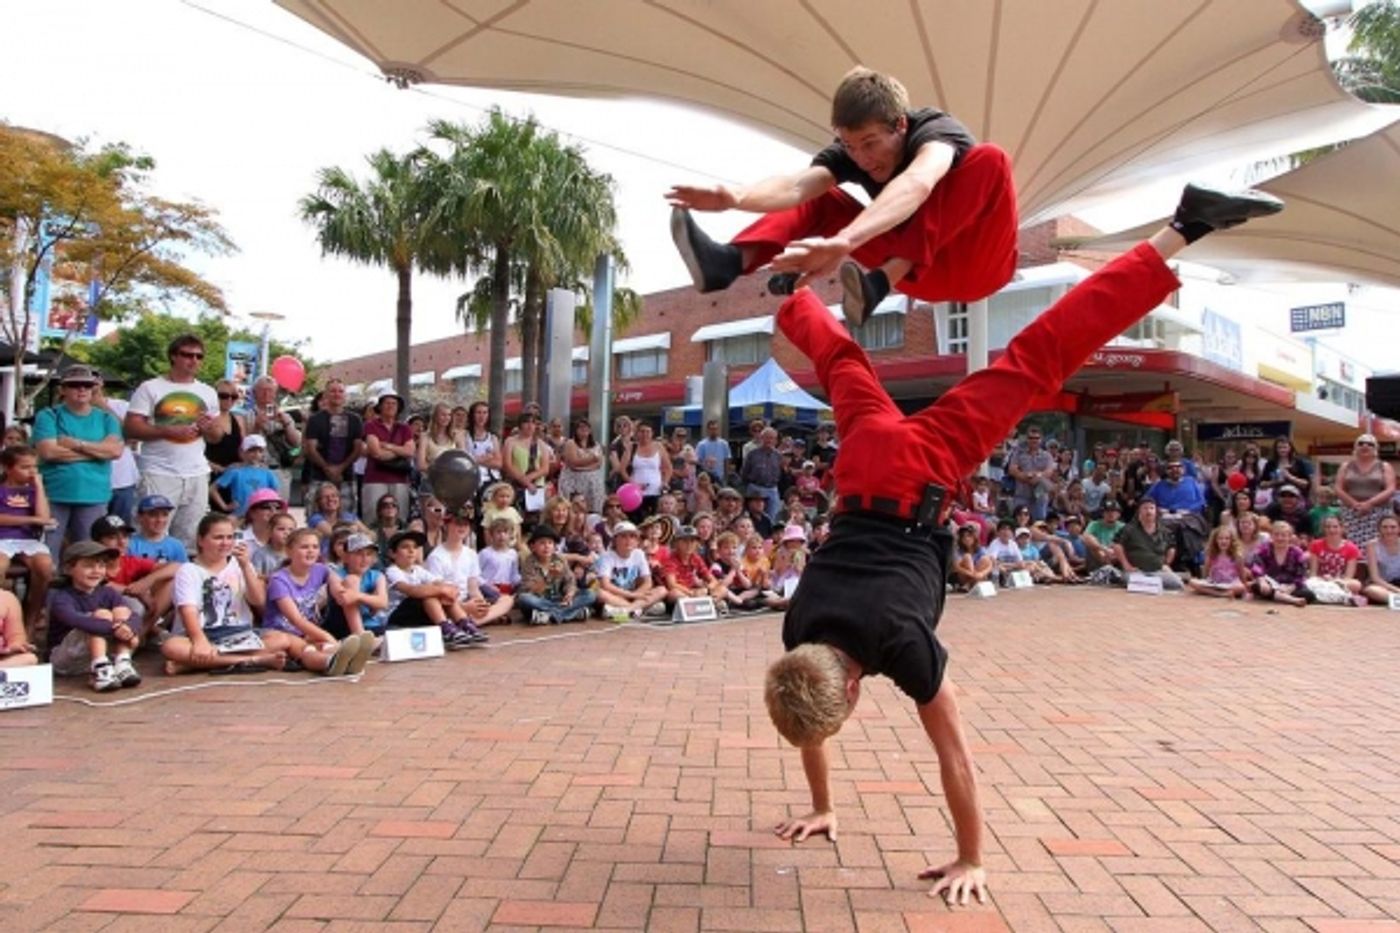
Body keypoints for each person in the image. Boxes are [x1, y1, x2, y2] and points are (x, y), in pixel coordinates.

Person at [760, 182, 1281, 904]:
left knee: (1037, 357)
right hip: (864, 467)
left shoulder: (900, 644)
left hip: (926, 478)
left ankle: (1184, 226)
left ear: (852, 688)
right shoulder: (799, 633)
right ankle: (789, 297)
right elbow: (806, 713)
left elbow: (956, 756)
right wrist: (822, 806)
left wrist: (972, 856)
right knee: (845, 366)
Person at [667, 67, 1014, 327]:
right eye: (850, 145)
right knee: (823, 199)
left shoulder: (935, 131)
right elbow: (798, 187)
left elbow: (919, 181)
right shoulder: (850, 152)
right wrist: (736, 196)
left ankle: (882, 280)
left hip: (979, 263)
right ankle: (728, 262)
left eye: (870, 143)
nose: (862, 158)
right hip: (918, 275)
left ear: (901, 126)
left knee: (991, 159)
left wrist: (845, 241)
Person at [163, 513, 363, 675]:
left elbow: (258, 600)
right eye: (218, 537)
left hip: (239, 633)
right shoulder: (189, 570)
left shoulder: (239, 564)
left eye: (229, 537)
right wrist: (199, 641)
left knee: (285, 641)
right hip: (203, 633)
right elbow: (188, 611)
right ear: (200, 540)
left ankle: (330, 661)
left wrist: (245, 567)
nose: (225, 543)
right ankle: (254, 660)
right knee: (171, 647)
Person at [123, 334, 225, 547]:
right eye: (187, 355)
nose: (194, 360)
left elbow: (216, 437)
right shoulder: (150, 387)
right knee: (151, 535)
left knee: (190, 538)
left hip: (196, 472)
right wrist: (166, 431)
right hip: (158, 472)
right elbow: (131, 427)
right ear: (173, 356)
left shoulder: (207, 392)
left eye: (199, 356)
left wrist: (210, 428)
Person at [33, 364, 125, 558]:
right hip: (54, 495)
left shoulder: (107, 418)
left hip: (94, 496)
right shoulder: (49, 415)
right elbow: (48, 452)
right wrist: (97, 451)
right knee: (47, 555)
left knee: (89, 555)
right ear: (63, 389)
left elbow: (115, 451)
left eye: (87, 385)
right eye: (75, 385)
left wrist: (76, 444)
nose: (82, 389)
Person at [45, 540, 141, 692]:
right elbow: (75, 620)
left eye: (101, 565)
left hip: (97, 654)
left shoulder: (108, 592)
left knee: (123, 613)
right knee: (102, 615)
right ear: (69, 569)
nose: (96, 570)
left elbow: (134, 616)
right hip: (65, 660)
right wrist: (115, 627)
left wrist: (127, 627)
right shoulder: (62, 597)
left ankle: (122, 663)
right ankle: (101, 672)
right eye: (88, 565)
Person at [382, 530, 482, 648]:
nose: (411, 551)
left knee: (439, 593)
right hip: (397, 617)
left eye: (414, 547)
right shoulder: (392, 571)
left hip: (418, 615)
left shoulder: (418, 570)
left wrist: (447, 589)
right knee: (429, 594)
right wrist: (441, 590)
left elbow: (441, 583)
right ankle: (445, 629)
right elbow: (411, 591)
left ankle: (464, 623)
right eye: (405, 547)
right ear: (392, 554)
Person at [0, 444, 57, 634]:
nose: (32, 472)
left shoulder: (34, 491)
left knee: (45, 566)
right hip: (2, 539)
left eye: (35, 466)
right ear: (8, 468)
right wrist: (31, 519)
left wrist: (39, 487)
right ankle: (6, 614)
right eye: (25, 467)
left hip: (27, 540)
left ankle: (30, 620)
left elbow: (44, 516)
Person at [426, 509, 510, 629]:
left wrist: (481, 605)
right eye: (458, 523)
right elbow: (438, 591)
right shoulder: (436, 556)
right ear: (446, 526)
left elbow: (473, 588)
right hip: (449, 604)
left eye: (465, 524)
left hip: (467, 601)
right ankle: (463, 620)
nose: (462, 527)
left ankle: (471, 621)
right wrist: (464, 606)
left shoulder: (471, 554)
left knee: (507, 600)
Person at [303, 378, 364, 511]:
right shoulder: (315, 420)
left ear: (345, 395)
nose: (337, 394)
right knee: (316, 517)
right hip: (319, 476)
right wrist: (327, 468)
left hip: (346, 477)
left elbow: (358, 448)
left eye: (340, 391)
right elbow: (310, 448)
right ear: (325, 395)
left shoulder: (355, 419)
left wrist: (341, 468)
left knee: (346, 519)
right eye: (333, 391)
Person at [517, 526, 596, 624]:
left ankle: (549, 616)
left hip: (559, 599)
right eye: (542, 543)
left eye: (550, 543)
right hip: (540, 601)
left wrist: (569, 594)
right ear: (533, 547)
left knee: (590, 594)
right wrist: (549, 577)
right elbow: (530, 590)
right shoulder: (529, 562)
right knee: (524, 599)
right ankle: (571, 614)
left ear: (554, 546)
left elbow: (570, 580)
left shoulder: (560, 559)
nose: (546, 546)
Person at [594, 521, 667, 619]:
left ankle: (627, 610)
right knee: (598, 593)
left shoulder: (639, 553)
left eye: (632, 536)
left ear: (637, 541)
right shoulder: (606, 556)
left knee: (662, 590)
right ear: (615, 540)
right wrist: (632, 595)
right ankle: (640, 609)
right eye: (623, 536)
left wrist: (636, 594)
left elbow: (648, 582)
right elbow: (605, 585)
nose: (628, 540)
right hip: (616, 595)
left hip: (634, 594)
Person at [92, 377, 140, 524]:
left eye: (94, 381)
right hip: (91, 483)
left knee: (121, 530)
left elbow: (132, 436)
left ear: (101, 382)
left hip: (122, 481)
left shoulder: (122, 406)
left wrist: (102, 406)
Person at [325, 532, 390, 641]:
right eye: (359, 554)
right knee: (352, 580)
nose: (364, 558)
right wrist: (368, 598)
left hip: (370, 625)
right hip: (341, 624)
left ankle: (366, 640)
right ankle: (360, 636)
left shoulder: (377, 576)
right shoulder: (336, 574)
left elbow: (383, 602)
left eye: (369, 554)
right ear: (345, 557)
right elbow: (343, 598)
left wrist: (358, 596)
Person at [1335, 433, 1395, 548]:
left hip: (1378, 513)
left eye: (1370, 444)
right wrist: (1354, 504)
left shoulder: (1384, 466)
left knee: (1378, 546)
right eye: (1361, 443)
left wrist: (1369, 503)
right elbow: (1338, 488)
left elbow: (1390, 488)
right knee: (1352, 546)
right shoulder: (1345, 466)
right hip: (1351, 513)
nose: (1365, 446)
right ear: (1355, 447)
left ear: (1376, 448)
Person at [248, 375, 302, 502]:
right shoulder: (246, 416)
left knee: (279, 511)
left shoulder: (285, 416)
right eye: (262, 390)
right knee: (256, 509)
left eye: (271, 390)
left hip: (279, 470)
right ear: (254, 393)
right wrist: (256, 426)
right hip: (256, 469)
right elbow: (244, 445)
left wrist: (286, 424)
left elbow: (296, 443)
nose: (267, 393)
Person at [362, 393, 415, 520]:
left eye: (394, 403)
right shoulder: (371, 425)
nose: (390, 406)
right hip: (375, 478)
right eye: (387, 403)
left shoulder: (404, 428)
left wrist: (388, 446)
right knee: (372, 517)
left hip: (400, 479)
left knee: (400, 518)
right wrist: (399, 451)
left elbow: (410, 452)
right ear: (380, 406)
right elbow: (376, 453)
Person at [211, 435, 281, 517]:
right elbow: (213, 489)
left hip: (261, 516)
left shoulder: (267, 473)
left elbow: (276, 495)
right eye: (252, 451)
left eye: (260, 451)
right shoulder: (235, 471)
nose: (256, 454)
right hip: (240, 515)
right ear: (242, 452)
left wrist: (272, 510)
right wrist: (225, 506)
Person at [1249, 520, 1313, 607]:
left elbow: (1301, 574)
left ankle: (1279, 597)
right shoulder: (1264, 549)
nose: (1280, 538)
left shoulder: (1297, 552)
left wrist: (1290, 587)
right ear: (1271, 536)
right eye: (1276, 535)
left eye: (1283, 535)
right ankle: (1291, 600)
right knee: (1257, 587)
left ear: (1290, 537)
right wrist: (1262, 581)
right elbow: (1257, 566)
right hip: (1270, 584)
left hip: (1290, 585)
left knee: (1308, 594)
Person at [1307, 514, 1364, 604]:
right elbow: (1313, 573)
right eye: (1328, 527)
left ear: (1342, 528)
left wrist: (1333, 581)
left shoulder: (1351, 548)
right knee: (1308, 582)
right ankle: (1340, 597)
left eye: (1335, 527)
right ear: (1323, 529)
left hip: (1340, 582)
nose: (1331, 530)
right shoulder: (1315, 545)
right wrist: (1322, 579)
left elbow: (1348, 576)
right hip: (1320, 581)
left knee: (1356, 584)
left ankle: (1325, 596)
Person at [1186, 525, 1251, 599]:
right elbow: (1205, 574)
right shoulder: (1211, 554)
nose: (1223, 541)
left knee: (1241, 587)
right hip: (1215, 582)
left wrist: (1245, 589)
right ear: (1215, 540)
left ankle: (1215, 592)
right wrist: (1205, 582)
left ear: (1231, 541)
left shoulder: (1237, 556)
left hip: (1231, 583)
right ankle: (1220, 594)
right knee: (1192, 582)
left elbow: (1241, 575)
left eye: (1227, 539)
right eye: (1220, 539)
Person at [558, 419, 606, 513]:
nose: (584, 429)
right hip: (573, 483)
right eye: (580, 427)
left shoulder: (596, 445)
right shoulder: (571, 443)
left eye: (586, 427)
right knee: (574, 508)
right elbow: (573, 462)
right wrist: (591, 459)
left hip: (592, 484)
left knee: (593, 510)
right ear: (576, 430)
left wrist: (582, 468)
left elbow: (598, 464)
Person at [127, 495, 189, 564]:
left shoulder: (176, 545)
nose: (160, 520)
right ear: (140, 517)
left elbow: (185, 571)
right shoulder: (130, 544)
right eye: (153, 515)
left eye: (165, 514)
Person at [1362, 514, 1400, 606]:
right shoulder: (1372, 545)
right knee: (1371, 590)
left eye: (1393, 527)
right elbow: (1375, 577)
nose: (1389, 531)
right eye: (1385, 527)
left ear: (1398, 528)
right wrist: (1397, 590)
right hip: (1382, 585)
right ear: (1379, 529)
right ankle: (1395, 599)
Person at [0, 588, 36, 669]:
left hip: (2, 658)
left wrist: (15, 646)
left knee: (30, 659)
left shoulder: (7, 598)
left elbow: (16, 635)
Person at [695, 419, 732, 486]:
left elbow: (727, 461)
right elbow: (698, 462)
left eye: (715, 429)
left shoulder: (724, 444)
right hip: (706, 479)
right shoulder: (701, 444)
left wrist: (726, 478)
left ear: (718, 430)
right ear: (708, 430)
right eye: (711, 429)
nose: (714, 431)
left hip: (720, 478)